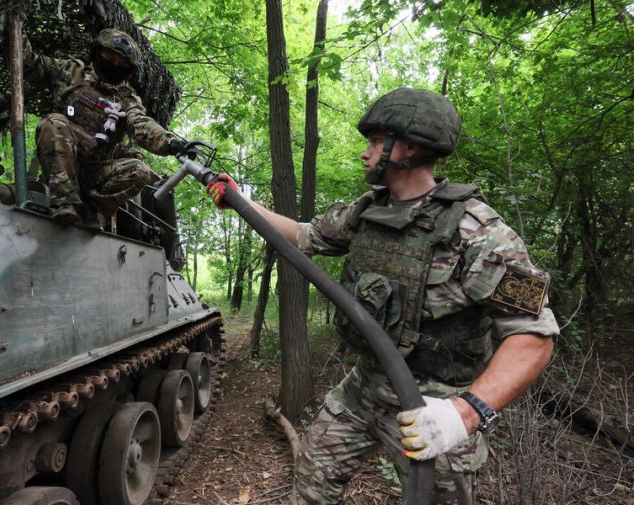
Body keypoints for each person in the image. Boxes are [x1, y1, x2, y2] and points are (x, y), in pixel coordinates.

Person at [207, 88, 559, 504]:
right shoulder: (366, 212)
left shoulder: (478, 232)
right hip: (363, 389)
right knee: (311, 485)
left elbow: (534, 337)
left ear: (408, 146)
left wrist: (463, 415)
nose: (365, 153)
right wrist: (237, 199)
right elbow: (304, 234)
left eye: (375, 142)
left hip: (432, 407)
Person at [23, 28, 187, 225]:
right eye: (110, 56)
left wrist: (170, 142)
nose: (114, 64)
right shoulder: (71, 71)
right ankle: (65, 204)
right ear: (98, 53)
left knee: (140, 171)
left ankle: (89, 210)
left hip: (97, 171)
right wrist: (14, 29)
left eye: (122, 63)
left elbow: (140, 123)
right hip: (62, 163)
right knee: (54, 122)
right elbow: (30, 63)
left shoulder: (126, 98)